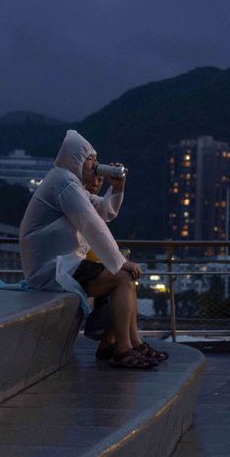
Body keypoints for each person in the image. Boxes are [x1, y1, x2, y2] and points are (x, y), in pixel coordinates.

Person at [19, 130, 167, 369]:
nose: (95, 166)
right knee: (121, 276)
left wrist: (118, 188)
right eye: (89, 160)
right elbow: (92, 224)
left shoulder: (70, 184)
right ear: (74, 160)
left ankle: (125, 343)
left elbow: (104, 210)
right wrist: (118, 262)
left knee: (124, 275)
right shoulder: (64, 182)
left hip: (64, 265)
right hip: (53, 269)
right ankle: (123, 349)